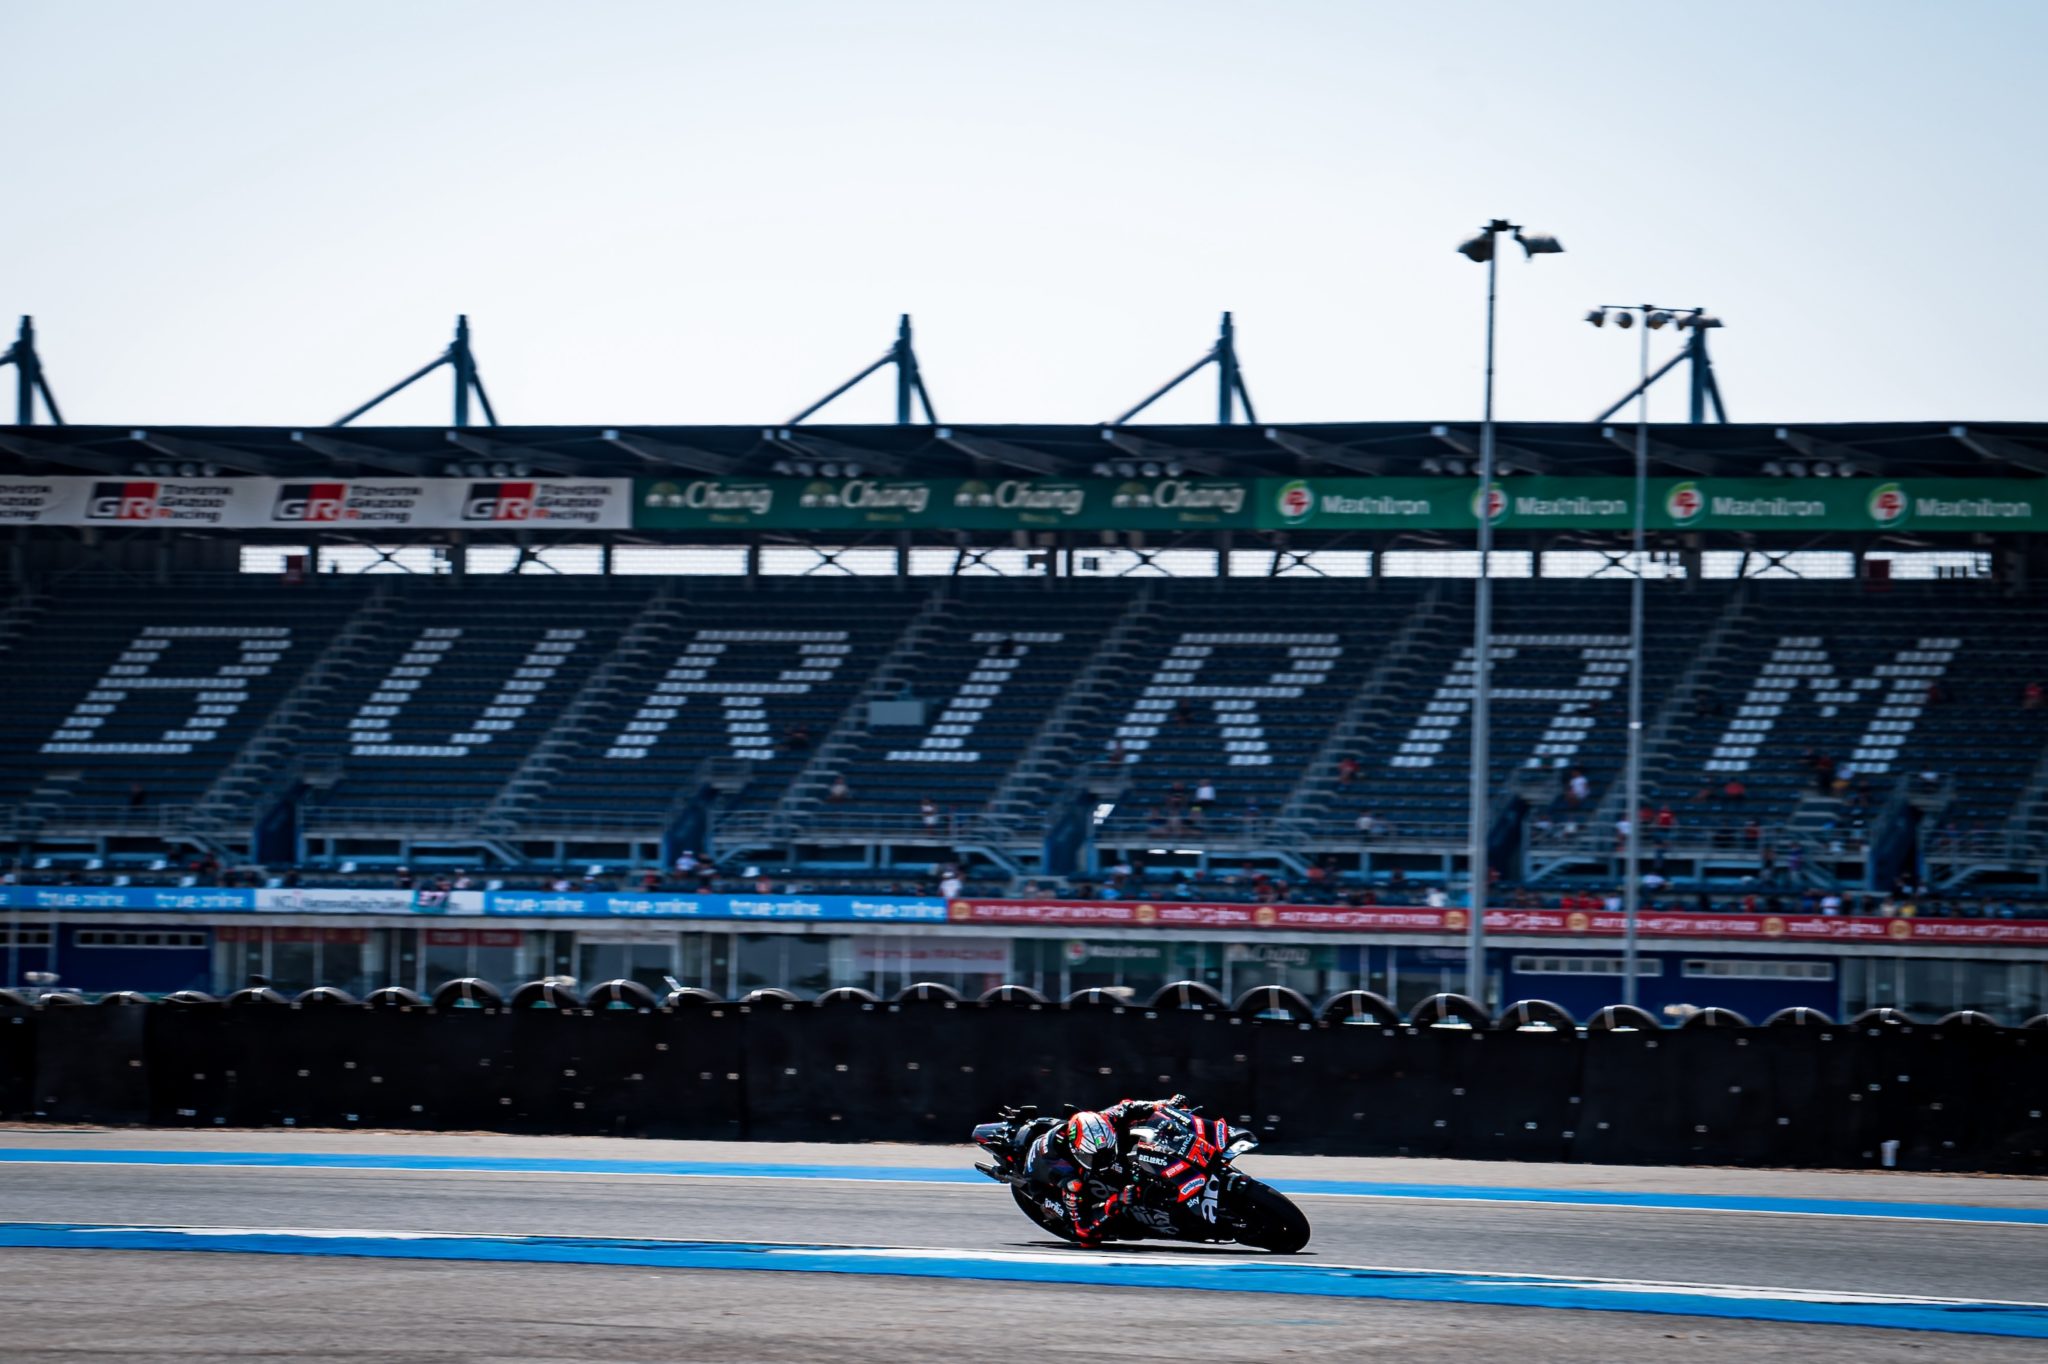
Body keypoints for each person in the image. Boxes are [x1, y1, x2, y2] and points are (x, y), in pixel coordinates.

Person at [1020, 1095, 1205, 1244]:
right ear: (1079, 1152)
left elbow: (1131, 1107)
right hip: (1044, 1180)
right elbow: (1083, 1231)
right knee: (1083, 1224)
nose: (1103, 1162)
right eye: (1095, 1158)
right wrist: (1114, 1202)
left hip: (1079, 1145)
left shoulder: (1107, 1119)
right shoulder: (1068, 1176)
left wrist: (1165, 1104)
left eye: (1107, 1153)